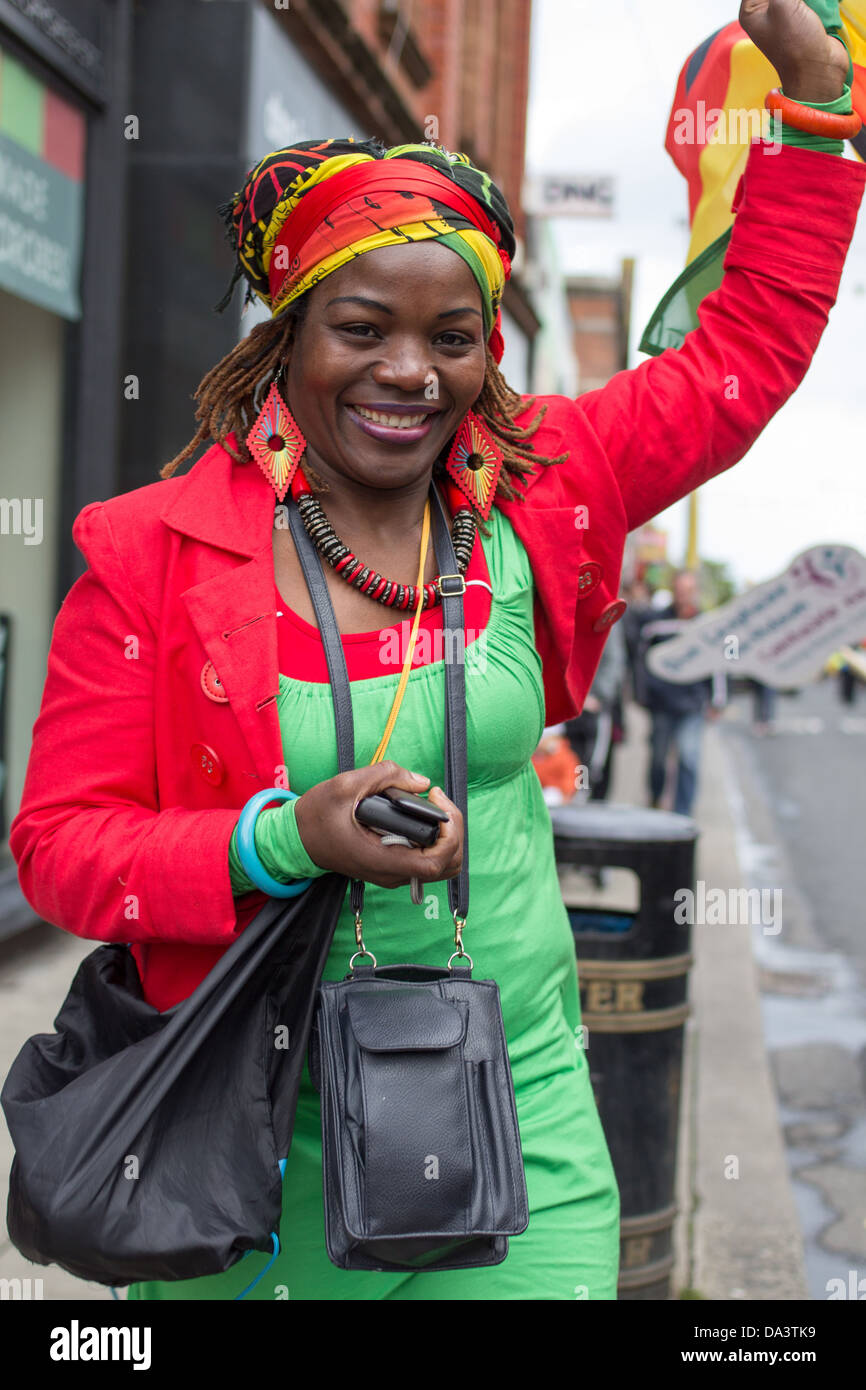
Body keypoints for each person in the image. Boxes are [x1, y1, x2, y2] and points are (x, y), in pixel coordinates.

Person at [8, 1, 864, 1301]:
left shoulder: (545, 487)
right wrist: (278, 837)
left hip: (517, 1094)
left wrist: (808, 108)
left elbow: (745, 347)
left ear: (485, 351)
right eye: (360, 328)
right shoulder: (153, 551)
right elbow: (63, 852)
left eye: (449, 338)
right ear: (283, 336)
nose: (407, 370)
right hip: (251, 1119)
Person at [636, 571, 727, 817]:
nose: (683, 594)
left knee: (688, 757)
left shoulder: (706, 624)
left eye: (688, 590)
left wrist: (717, 700)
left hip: (692, 703)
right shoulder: (655, 623)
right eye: (679, 589)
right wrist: (642, 693)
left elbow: (717, 665)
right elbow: (641, 661)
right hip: (661, 702)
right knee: (658, 758)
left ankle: (682, 813)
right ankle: (655, 800)